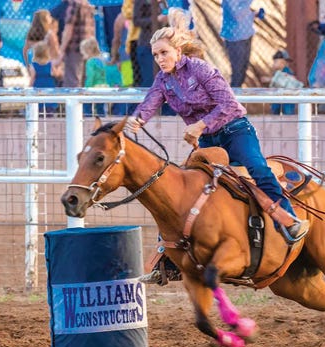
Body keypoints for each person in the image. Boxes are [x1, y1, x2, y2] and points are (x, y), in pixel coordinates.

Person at [125, 18, 308, 284]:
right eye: (155, 55)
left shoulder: (200, 68)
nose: (160, 59)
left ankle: (288, 221)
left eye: (164, 52)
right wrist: (136, 120)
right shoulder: (163, 81)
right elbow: (148, 104)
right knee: (179, 187)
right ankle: (168, 259)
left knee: (258, 168)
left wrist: (199, 124)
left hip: (234, 131)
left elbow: (229, 105)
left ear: (178, 51)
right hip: (208, 141)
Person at [220, 0, 262, 87]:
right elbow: (237, 15)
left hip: (247, 34)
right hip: (235, 38)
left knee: (243, 70)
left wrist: (254, 14)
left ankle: (236, 97)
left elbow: (243, 12)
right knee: (237, 73)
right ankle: (231, 98)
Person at [54, 0, 96, 87]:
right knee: (84, 82)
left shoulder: (74, 4)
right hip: (87, 49)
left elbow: (68, 29)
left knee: (72, 83)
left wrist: (61, 51)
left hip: (74, 49)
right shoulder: (87, 5)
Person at [262, 50, 303, 115]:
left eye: (276, 62)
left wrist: (270, 79)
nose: (273, 64)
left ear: (283, 63)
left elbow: (283, 81)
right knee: (275, 111)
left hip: (287, 98)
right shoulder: (276, 73)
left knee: (288, 112)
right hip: (277, 98)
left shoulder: (287, 72)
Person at [29, 41, 63, 116]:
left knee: (38, 106)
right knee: (49, 106)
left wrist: (29, 87)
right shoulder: (50, 64)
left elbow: (32, 78)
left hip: (38, 87)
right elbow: (56, 74)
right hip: (49, 87)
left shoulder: (33, 65)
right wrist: (59, 69)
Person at [80, 37, 108, 116]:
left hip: (94, 86)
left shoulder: (90, 62)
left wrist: (86, 87)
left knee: (87, 104)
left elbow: (91, 76)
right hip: (103, 86)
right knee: (100, 107)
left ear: (88, 51)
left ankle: (87, 117)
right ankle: (101, 119)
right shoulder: (101, 60)